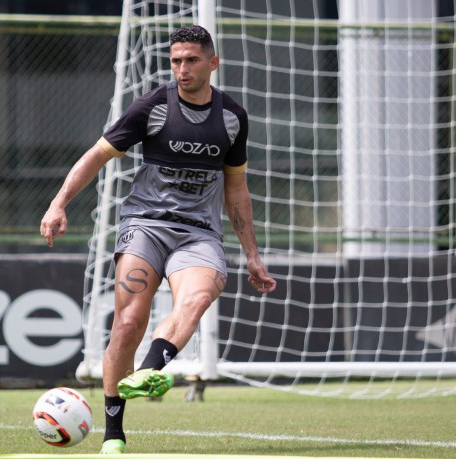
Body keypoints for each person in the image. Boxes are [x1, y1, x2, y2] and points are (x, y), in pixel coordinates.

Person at [39, 24, 276, 454]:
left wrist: (253, 255)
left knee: (197, 297)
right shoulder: (153, 107)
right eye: (176, 61)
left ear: (213, 63)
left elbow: (236, 188)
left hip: (199, 233)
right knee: (129, 322)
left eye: (192, 60)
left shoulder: (232, 117)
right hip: (145, 224)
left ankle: (150, 370)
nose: (182, 69)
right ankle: (113, 434)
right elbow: (96, 155)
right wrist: (58, 203)